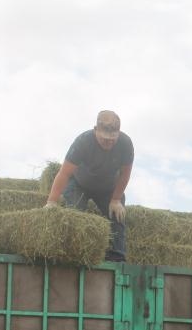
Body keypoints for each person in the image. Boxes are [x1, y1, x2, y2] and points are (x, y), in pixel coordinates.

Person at [45, 110, 134, 262]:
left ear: (118, 133)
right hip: (79, 184)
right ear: (95, 130)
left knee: (117, 215)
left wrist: (116, 199)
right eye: (104, 139)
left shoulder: (125, 144)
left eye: (112, 139)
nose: (108, 142)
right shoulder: (83, 142)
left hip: (107, 187)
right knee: (75, 215)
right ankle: (73, 253)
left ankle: (116, 257)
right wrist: (52, 202)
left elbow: (125, 174)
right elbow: (64, 173)